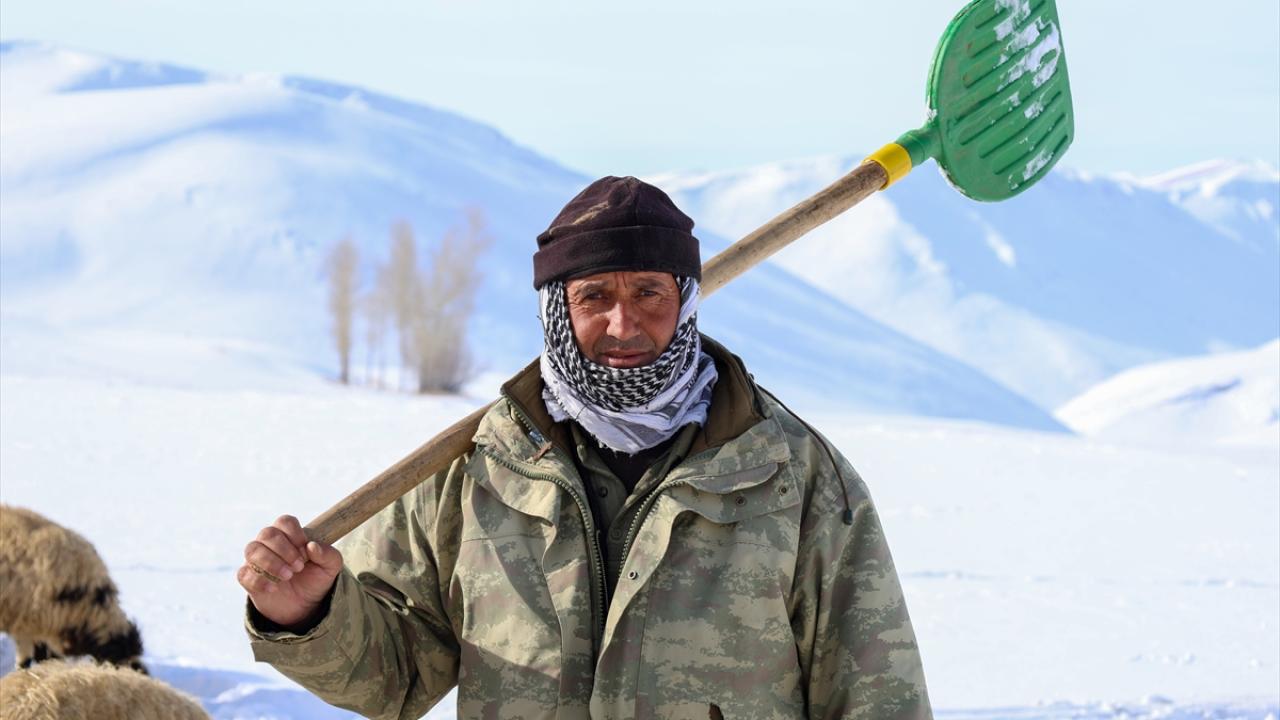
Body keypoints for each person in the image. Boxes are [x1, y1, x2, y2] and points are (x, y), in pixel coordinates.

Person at [238, 176, 932, 719]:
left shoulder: (793, 475)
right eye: (594, 295)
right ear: (555, 309)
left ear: (687, 301)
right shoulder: (475, 471)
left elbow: (878, 698)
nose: (623, 322)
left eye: (650, 293)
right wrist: (310, 613)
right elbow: (394, 682)